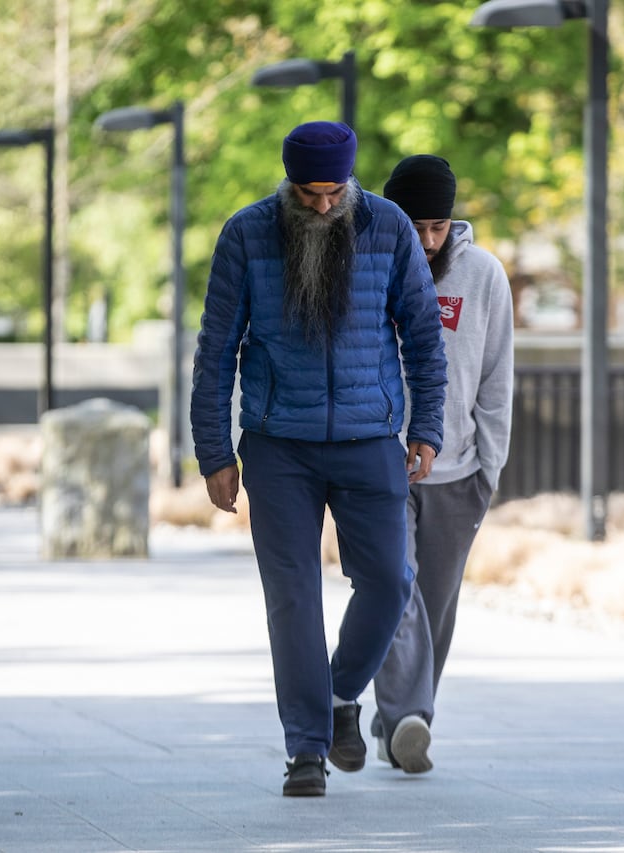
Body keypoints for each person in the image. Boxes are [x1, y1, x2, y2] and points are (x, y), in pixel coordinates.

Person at [190, 121, 447, 797]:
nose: (326, 205)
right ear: (290, 184)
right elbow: (216, 347)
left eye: (337, 192)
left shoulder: (388, 228)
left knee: (392, 580)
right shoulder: (247, 234)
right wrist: (214, 450)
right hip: (279, 447)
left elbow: (423, 334)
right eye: (311, 194)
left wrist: (427, 425)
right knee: (293, 594)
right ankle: (306, 749)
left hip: (370, 441)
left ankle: (337, 698)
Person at [369, 154, 514, 774]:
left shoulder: (483, 275)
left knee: (435, 603)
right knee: (396, 589)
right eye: (414, 225)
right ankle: (410, 719)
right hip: (382, 464)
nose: (427, 240)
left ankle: (399, 718)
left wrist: (490, 467)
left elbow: (496, 375)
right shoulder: (368, 268)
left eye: (437, 226)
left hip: (460, 471)